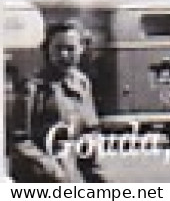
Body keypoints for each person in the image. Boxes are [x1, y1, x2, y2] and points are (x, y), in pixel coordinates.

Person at [7, 20, 105, 183]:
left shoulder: (82, 83)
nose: (64, 55)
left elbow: (89, 133)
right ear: (47, 50)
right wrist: (53, 171)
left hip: (69, 175)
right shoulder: (32, 88)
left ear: (82, 49)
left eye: (70, 49)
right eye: (58, 49)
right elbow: (19, 141)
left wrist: (98, 178)